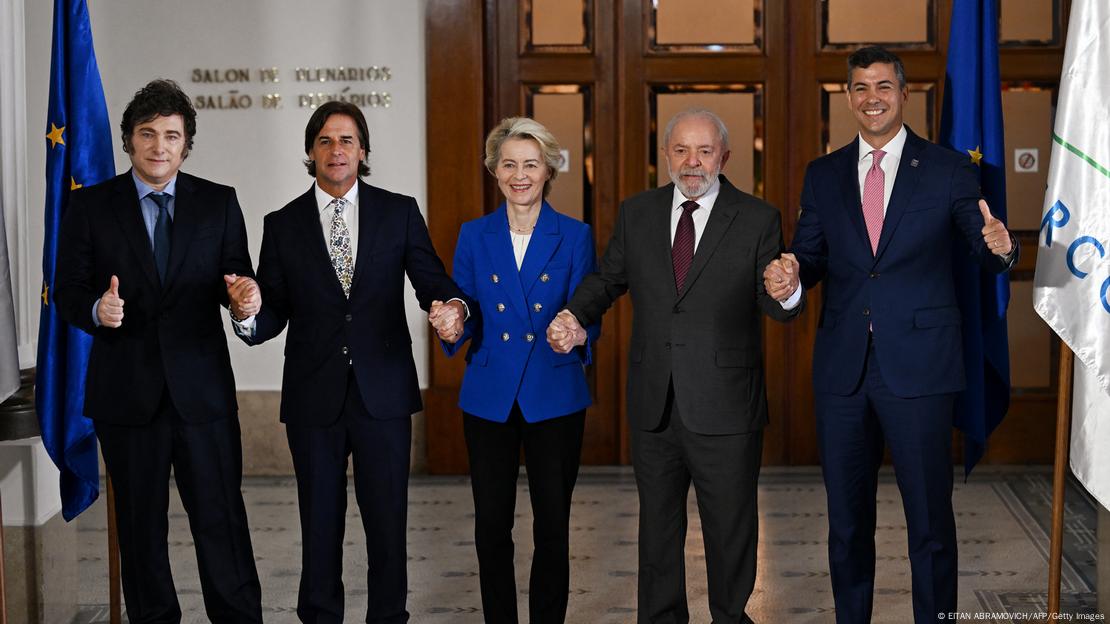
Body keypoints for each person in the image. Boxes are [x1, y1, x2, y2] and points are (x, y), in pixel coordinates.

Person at [764, 46, 1018, 623]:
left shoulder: (950, 168)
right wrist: (791, 277)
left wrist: (1003, 250)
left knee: (929, 521)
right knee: (846, 523)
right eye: (859, 87)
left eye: (882, 86)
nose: (871, 97)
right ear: (848, 97)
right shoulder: (823, 174)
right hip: (843, 373)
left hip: (922, 368)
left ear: (904, 94)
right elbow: (810, 254)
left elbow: (980, 243)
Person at [547, 108, 802, 623]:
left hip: (726, 405)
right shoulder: (637, 212)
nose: (692, 162)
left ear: (724, 157)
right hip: (654, 402)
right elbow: (608, 279)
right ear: (665, 155)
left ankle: (730, 617)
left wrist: (789, 289)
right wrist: (575, 314)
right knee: (658, 530)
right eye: (681, 150)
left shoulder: (757, 218)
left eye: (705, 151)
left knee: (731, 527)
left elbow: (775, 303)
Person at [232, 100, 468, 623]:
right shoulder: (283, 224)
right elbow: (272, 311)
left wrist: (450, 307)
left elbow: (432, 280)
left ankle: (388, 617)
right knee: (319, 521)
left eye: (346, 141)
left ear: (363, 152)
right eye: (324, 141)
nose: (335, 150)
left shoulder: (398, 211)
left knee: (387, 522)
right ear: (311, 153)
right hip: (313, 396)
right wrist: (247, 312)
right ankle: (319, 616)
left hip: (382, 392)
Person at [54, 79, 262, 623]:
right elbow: (69, 289)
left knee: (222, 524)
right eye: (147, 134)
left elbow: (236, 281)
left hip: (203, 396)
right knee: (142, 534)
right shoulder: (90, 206)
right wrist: (97, 310)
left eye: (172, 135)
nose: (159, 146)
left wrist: (244, 302)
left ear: (186, 144)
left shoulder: (218, 202)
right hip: (127, 398)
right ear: (128, 141)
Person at [431, 117, 599, 624]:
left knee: (553, 523)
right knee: (490, 525)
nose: (519, 174)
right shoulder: (473, 235)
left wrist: (579, 331)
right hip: (490, 393)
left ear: (549, 169)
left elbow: (588, 308)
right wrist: (452, 320)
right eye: (509, 164)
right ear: (494, 171)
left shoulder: (574, 235)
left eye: (530, 164)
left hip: (554, 393)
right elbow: (467, 305)